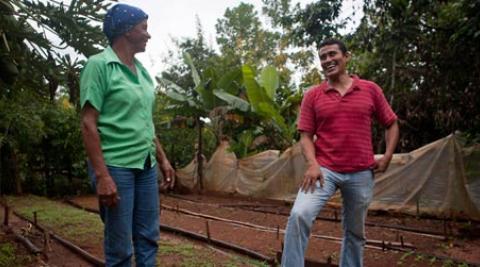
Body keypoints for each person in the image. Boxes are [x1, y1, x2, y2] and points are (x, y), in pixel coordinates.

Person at [281, 39, 399, 267]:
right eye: (322, 57)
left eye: (332, 54)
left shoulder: (370, 90)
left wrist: (387, 156)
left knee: (355, 233)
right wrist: (312, 164)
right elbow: (305, 136)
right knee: (299, 215)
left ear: (346, 56)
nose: (327, 60)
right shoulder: (313, 95)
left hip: (361, 172)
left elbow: (391, 123)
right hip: (324, 170)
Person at [80, 3, 175, 266]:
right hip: (116, 166)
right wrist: (102, 176)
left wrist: (163, 159)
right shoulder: (99, 66)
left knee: (148, 238)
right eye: (143, 28)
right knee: (120, 247)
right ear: (126, 31)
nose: (148, 34)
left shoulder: (143, 72)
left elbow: (145, 122)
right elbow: (88, 123)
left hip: (146, 166)